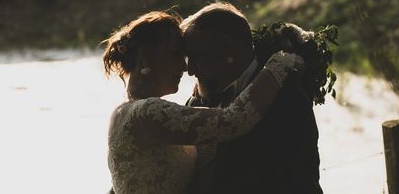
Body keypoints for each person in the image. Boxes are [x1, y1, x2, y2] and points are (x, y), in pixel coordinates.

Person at [102, 10, 304, 194]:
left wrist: (204, 100)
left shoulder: (121, 114)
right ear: (146, 59)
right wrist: (280, 63)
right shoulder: (148, 112)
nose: (184, 67)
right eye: (175, 54)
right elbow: (234, 119)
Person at [182, 1, 323, 194]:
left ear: (227, 47)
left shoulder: (286, 99)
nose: (190, 71)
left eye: (196, 56)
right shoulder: (195, 102)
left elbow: (299, 183)